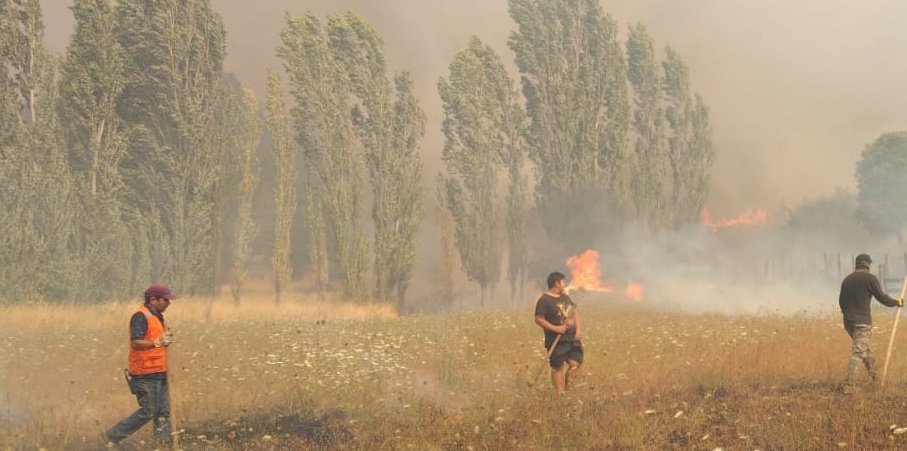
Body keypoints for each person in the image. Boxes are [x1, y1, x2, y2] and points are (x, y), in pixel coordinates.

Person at [105, 283, 178, 447]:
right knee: (148, 412)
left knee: (163, 412)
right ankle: (111, 437)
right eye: (165, 300)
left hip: (160, 372)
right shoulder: (140, 316)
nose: (169, 303)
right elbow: (136, 343)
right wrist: (157, 342)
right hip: (145, 374)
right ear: (153, 300)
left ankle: (164, 444)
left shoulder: (158, 316)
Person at [838, 253, 903, 390]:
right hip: (862, 321)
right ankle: (848, 386)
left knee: (864, 350)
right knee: (858, 352)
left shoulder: (847, 280)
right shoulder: (870, 279)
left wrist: (847, 315)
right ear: (868, 265)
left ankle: (875, 377)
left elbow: (841, 302)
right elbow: (882, 297)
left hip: (848, 321)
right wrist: (896, 302)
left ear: (857, 264)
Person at [535, 271, 583, 394]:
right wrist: (556, 328)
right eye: (562, 282)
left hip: (571, 338)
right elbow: (539, 319)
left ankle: (568, 389)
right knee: (558, 367)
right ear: (556, 283)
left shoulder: (565, 297)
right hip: (556, 339)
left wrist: (578, 329)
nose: (564, 284)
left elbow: (574, 311)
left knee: (575, 363)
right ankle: (559, 394)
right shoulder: (544, 300)